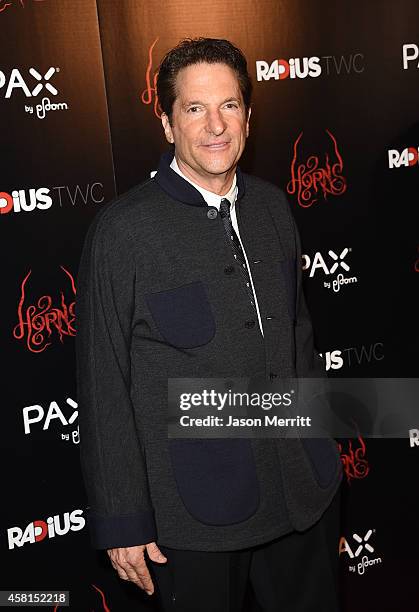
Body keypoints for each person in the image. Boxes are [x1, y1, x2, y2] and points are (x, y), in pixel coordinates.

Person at [75, 37, 343, 612]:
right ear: (168, 124)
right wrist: (123, 518)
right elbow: (104, 386)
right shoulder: (123, 233)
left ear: (249, 115)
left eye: (229, 106)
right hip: (192, 516)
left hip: (302, 496)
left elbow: (300, 342)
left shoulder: (274, 208)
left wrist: (326, 452)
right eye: (195, 109)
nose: (215, 126)